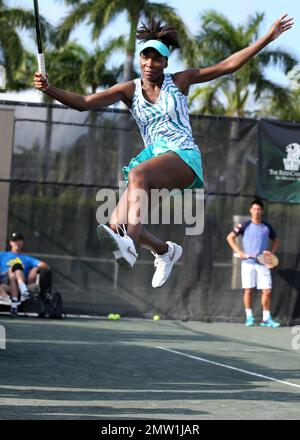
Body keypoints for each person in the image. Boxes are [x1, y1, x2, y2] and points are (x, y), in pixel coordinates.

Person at [33, 14, 293, 288]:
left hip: (183, 156)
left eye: (156, 58)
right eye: (145, 57)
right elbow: (84, 102)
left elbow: (228, 65)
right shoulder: (129, 90)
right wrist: (50, 89)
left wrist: (268, 37)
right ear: (139, 59)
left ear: (166, 62)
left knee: (136, 176)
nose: (149, 63)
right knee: (112, 225)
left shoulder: (180, 81)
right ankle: (165, 251)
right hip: (155, 161)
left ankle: (130, 243)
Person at [226, 199, 280, 327]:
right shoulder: (244, 225)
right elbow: (230, 237)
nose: (256, 212)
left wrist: (271, 254)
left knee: (267, 291)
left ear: (262, 211)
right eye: (254, 209)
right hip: (248, 264)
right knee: (248, 290)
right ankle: (249, 317)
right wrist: (239, 251)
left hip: (263, 264)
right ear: (251, 210)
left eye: (259, 209)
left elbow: (276, 240)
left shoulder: (267, 226)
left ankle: (266, 319)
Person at [0, 232, 50, 317]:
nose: (17, 243)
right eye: (15, 240)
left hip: (17, 278)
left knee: (15, 273)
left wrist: (36, 268)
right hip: (5, 278)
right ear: (10, 243)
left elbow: (46, 266)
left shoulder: (27, 258)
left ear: (22, 242)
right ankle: (24, 290)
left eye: (20, 240)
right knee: (15, 267)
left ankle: (14, 306)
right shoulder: (2, 255)